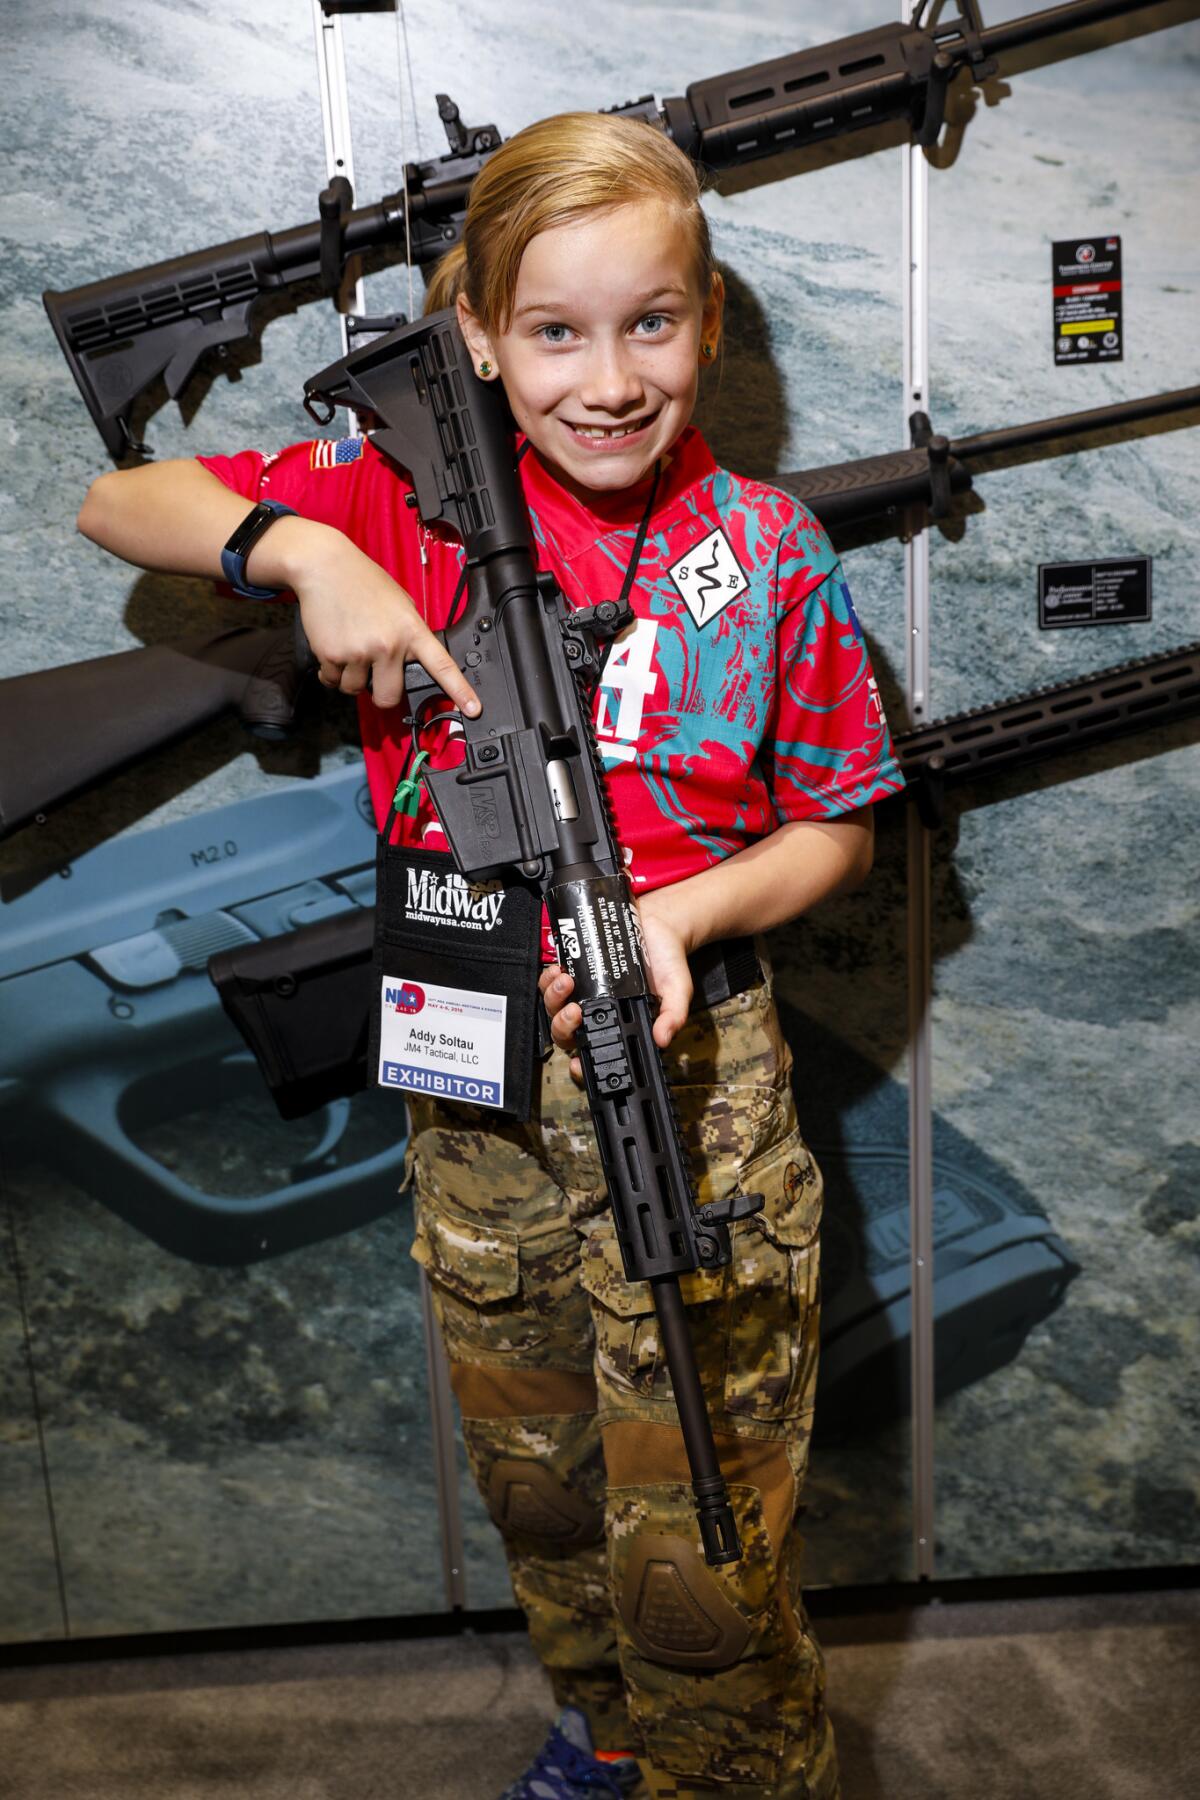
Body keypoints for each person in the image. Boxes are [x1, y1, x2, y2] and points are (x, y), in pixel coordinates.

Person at [78, 111, 903, 1800]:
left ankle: (733, 1772)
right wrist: (299, 552)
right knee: (535, 1458)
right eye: (554, 331)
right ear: (473, 339)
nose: (607, 378)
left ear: (712, 326)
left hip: (687, 1068)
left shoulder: (768, 553)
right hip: (462, 1035)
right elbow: (119, 497)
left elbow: (840, 824)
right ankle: (601, 1734)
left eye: (651, 324)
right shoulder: (392, 489)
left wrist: (682, 911)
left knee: (704, 1509)